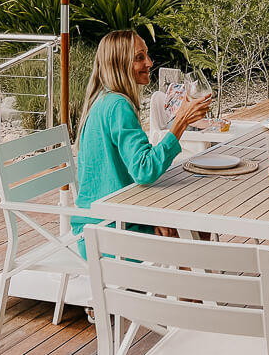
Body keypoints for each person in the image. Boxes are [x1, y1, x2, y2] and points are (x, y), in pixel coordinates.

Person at [70, 30, 212, 247]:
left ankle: (184, 278)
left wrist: (150, 216)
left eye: (146, 55)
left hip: (101, 225)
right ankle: (187, 280)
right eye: (139, 57)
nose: (150, 62)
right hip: (108, 233)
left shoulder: (103, 99)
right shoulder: (118, 106)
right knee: (196, 228)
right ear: (119, 63)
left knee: (184, 227)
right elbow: (144, 170)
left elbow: (128, 172)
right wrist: (181, 121)